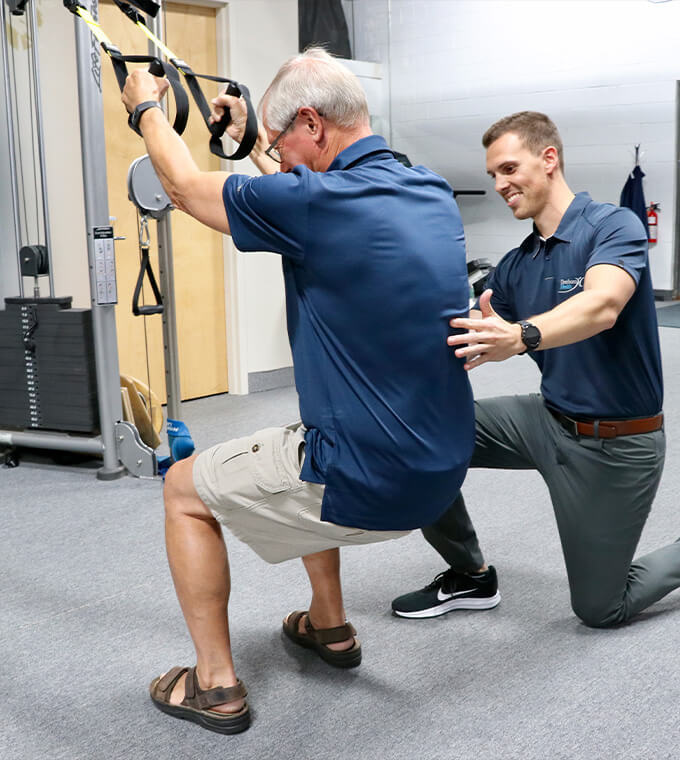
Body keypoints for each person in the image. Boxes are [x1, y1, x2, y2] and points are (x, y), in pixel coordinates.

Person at [120, 48, 475, 734]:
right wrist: (257, 139)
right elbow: (305, 191)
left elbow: (188, 187)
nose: (278, 159)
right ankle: (330, 626)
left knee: (183, 492)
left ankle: (214, 684)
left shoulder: (316, 202)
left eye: (286, 144)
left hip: (370, 482)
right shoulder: (423, 185)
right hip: (440, 475)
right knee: (303, 437)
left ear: (312, 122)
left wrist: (146, 108)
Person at [392, 111, 680, 628]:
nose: (500, 185)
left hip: (616, 444)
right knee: (416, 438)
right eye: (493, 176)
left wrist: (520, 335)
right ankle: (470, 575)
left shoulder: (612, 226)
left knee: (600, 608)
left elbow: (602, 305)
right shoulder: (516, 266)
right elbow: (464, 331)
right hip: (545, 420)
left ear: (549, 159)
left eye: (508, 169)